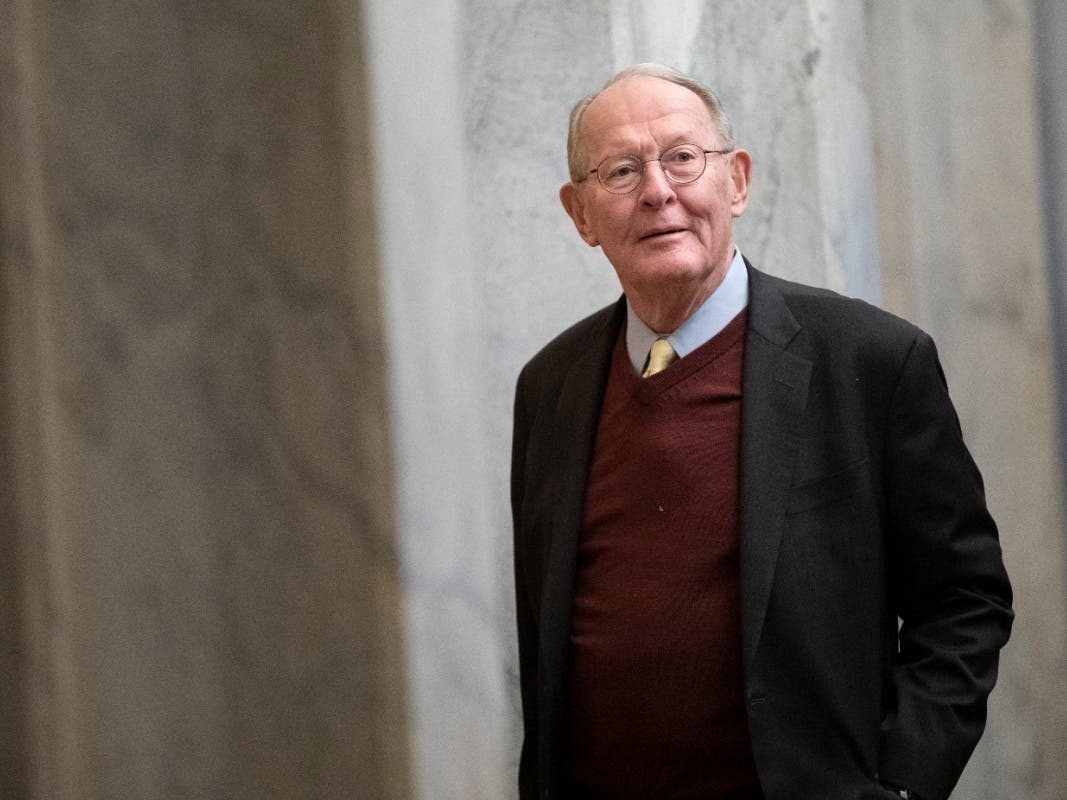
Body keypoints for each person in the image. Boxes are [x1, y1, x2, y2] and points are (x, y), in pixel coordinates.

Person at [510, 63, 1013, 800]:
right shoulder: (549, 387)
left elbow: (965, 600)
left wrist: (903, 783)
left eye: (682, 157)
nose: (657, 191)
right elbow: (542, 638)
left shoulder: (870, 360)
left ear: (737, 181)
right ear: (580, 213)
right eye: (620, 170)